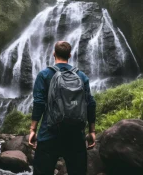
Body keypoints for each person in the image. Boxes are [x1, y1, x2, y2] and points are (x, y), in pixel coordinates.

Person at [28, 41, 97, 175]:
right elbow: (90, 103)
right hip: (76, 136)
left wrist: (33, 129)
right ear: (70, 55)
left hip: (49, 135)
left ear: (54, 54)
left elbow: (39, 103)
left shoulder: (44, 75)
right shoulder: (81, 76)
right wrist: (92, 131)